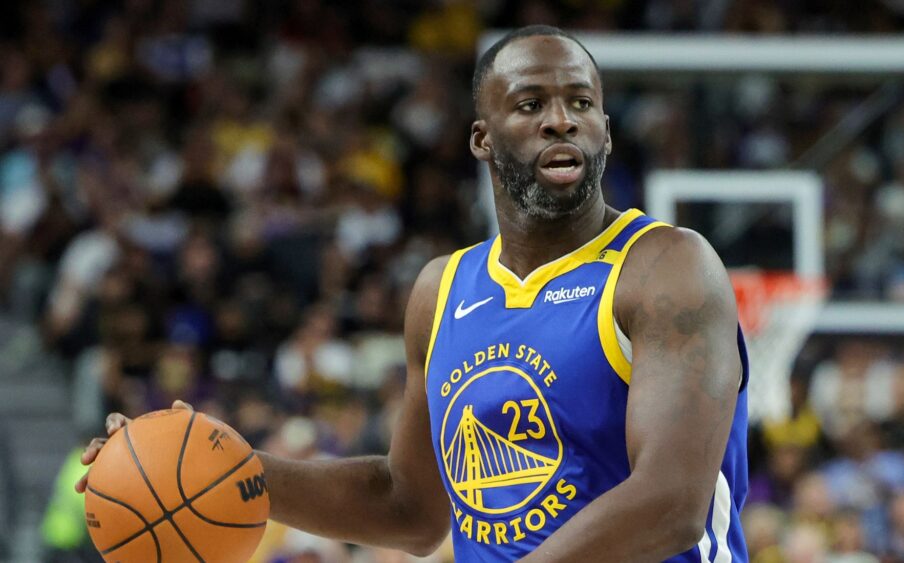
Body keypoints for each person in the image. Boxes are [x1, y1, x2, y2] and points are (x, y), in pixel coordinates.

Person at [77, 25, 750, 562]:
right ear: (482, 140)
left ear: (605, 129)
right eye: (530, 104)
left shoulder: (667, 267)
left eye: (580, 103)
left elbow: (670, 500)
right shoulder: (442, 291)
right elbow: (409, 507)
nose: (561, 120)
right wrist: (219, 468)